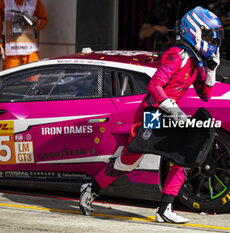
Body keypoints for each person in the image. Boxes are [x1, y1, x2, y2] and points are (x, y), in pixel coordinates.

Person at [79, 6, 222, 224]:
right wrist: (174, 110)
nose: (213, 42)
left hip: (171, 115)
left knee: (183, 159)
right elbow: (154, 87)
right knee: (129, 161)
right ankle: (91, 188)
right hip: (151, 113)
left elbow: (205, 96)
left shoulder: (196, 60)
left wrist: (211, 70)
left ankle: (164, 209)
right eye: (210, 36)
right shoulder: (177, 54)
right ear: (195, 31)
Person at [0, 0, 48, 70]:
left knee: (32, 76)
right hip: (11, 49)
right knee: (10, 78)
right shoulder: (4, 2)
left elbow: (44, 20)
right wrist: (0, 45)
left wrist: (35, 23)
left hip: (29, 49)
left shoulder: (35, 2)